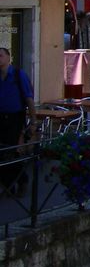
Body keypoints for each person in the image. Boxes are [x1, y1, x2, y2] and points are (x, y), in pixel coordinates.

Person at [0, 46, 36, 192]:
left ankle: (22, 180)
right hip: (0, 117)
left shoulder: (17, 75)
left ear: (9, 58)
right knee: (2, 151)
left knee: (13, 150)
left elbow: (29, 99)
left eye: (1, 55)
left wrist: (33, 121)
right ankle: (8, 185)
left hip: (15, 117)